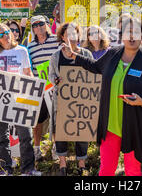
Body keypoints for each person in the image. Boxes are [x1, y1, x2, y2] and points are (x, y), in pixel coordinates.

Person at [63, 16, 142, 176]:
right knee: (106, 170)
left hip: (134, 126)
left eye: (136, 32)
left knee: (132, 171)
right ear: (122, 35)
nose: (132, 36)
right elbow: (95, 66)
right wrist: (74, 55)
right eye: (128, 32)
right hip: (110, 126)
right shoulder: (113, 54)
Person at [0, 23, 41, 176]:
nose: (6, 35)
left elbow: (28, 74)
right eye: (1, 34)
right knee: (2, 136)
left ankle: (28, 169)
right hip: (0, 99)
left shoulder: (21, 50)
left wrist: (34, 92)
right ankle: (5, 169)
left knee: (26, 135)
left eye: (7, 32)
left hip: (20, 98)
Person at [48, 23, 93, 176]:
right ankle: (62, 164)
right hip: (62, 101)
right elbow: (51, 76)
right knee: (61, 133)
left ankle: (81, 164)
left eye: (75, 33)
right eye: (68, 34)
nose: (72, 36)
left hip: (83, 101)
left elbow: (94, 71)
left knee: (82, 132)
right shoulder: (56, 56)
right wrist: (57, 80)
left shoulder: (86, 54)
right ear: (62, 36)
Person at [26, 15, 59, 160]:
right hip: (40, 88)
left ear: (47, 24)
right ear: (32, 28)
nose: (38, 27)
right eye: (34, 25)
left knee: (56, 120)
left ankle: (56, 148)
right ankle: (37, 148)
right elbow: (30, 68)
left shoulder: (57, 41)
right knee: (37, 121)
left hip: (56, 87)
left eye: (40, 23)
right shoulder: (30, 46)